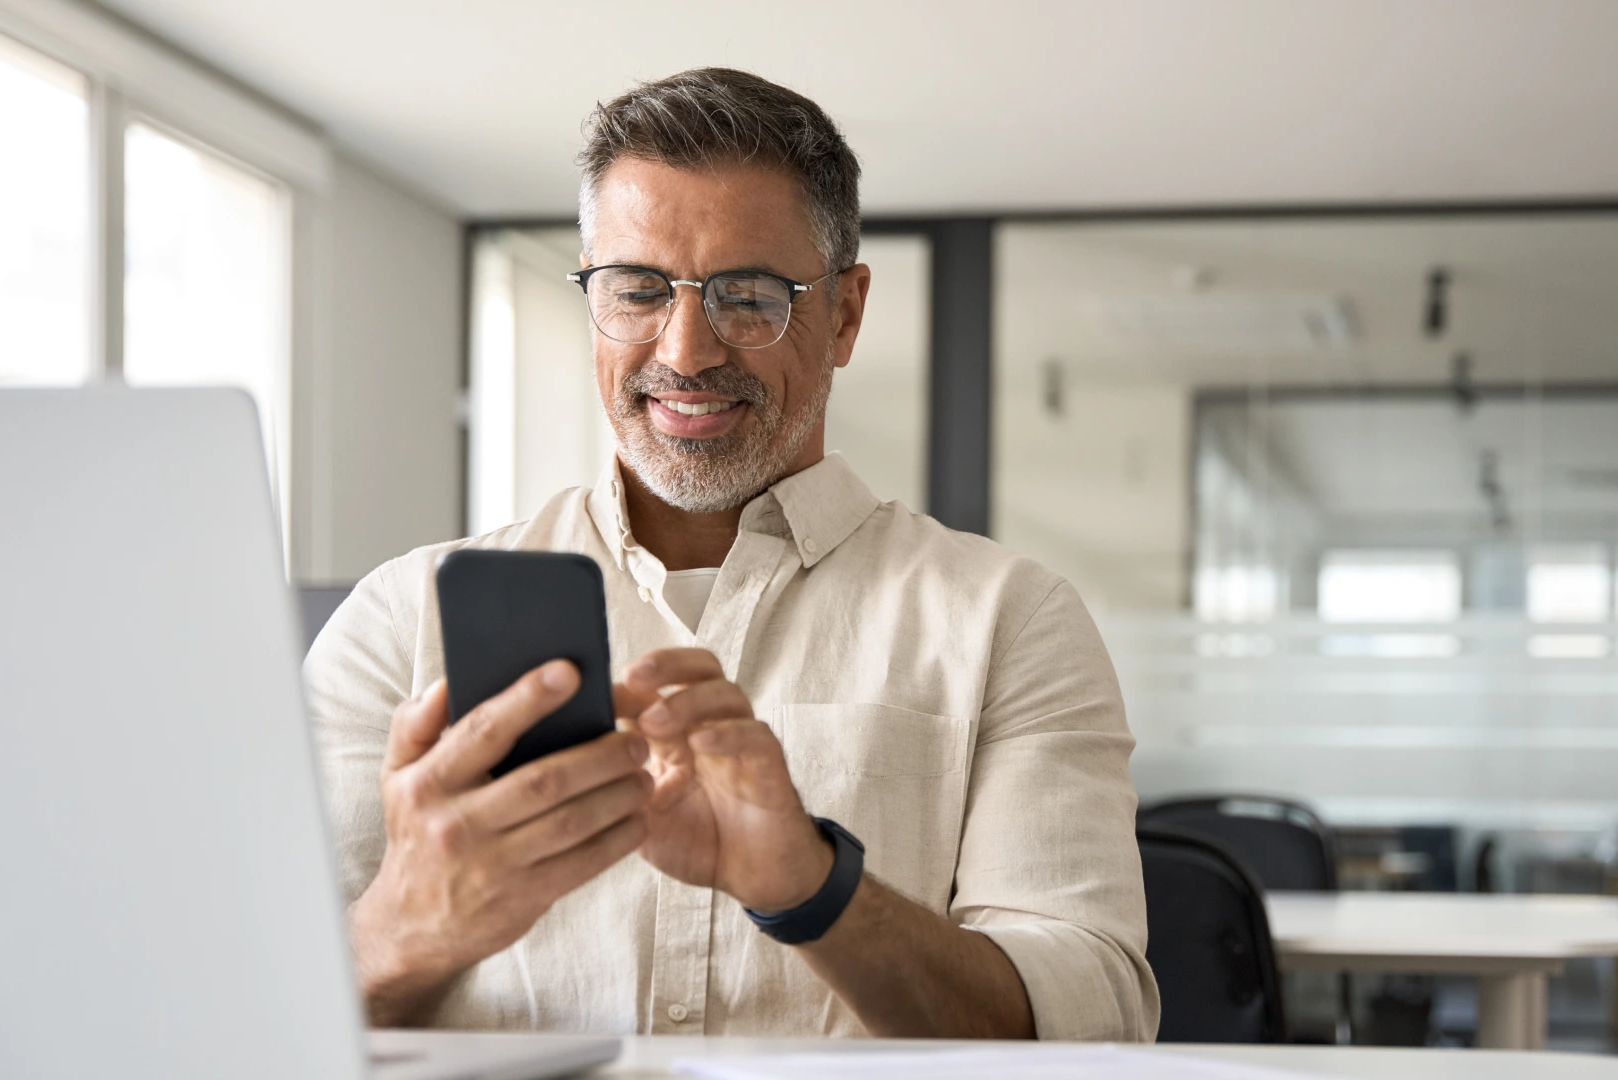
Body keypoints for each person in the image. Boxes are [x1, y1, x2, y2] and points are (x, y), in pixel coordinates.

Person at [305, 67, 1157, 1042]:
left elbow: (1093, 1021)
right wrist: (415, 920)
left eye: (747, 297)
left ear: (844, 315)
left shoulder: (1009, 620)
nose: (686, 351)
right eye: (637, 290)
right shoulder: (399, 619)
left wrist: (812, 887)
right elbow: (239, 1018)